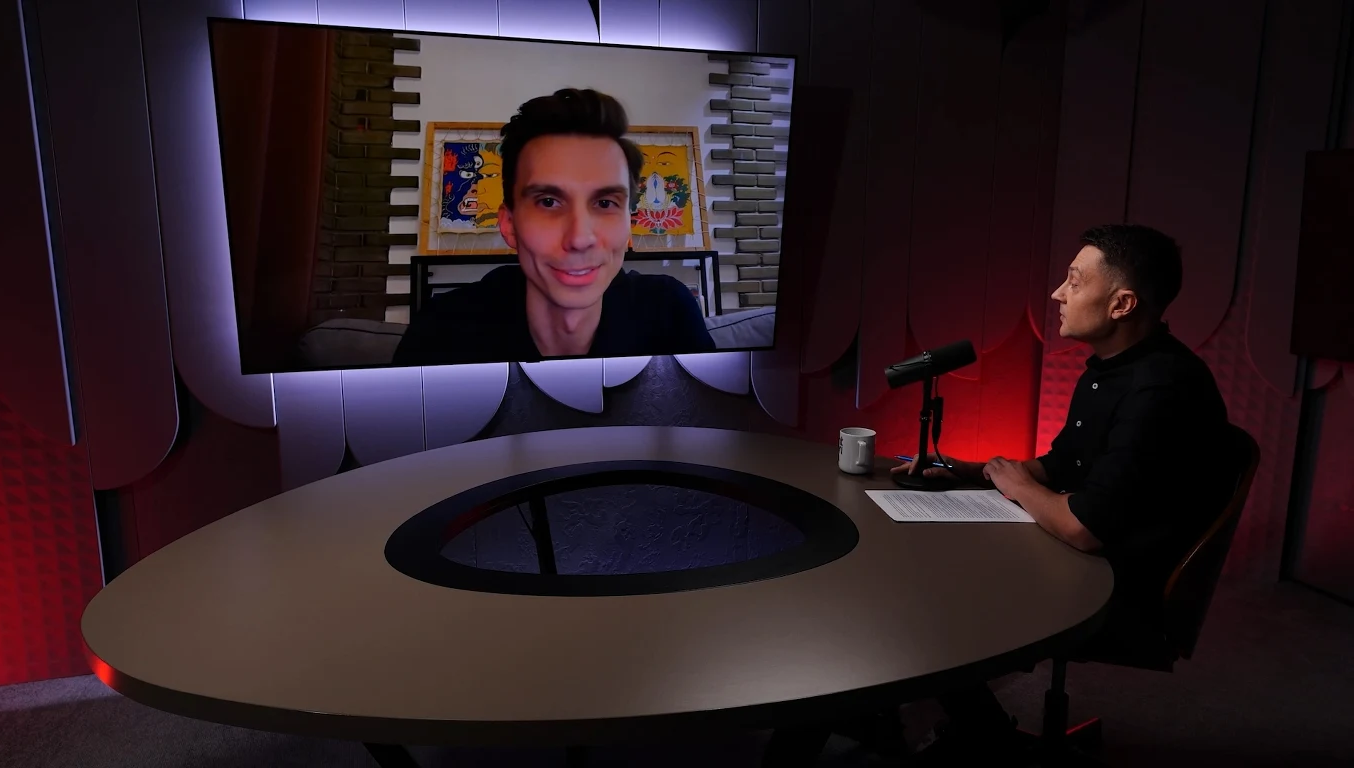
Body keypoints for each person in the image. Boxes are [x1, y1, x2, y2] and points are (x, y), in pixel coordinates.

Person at [759, 224, 1233, 767]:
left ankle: (949, 732)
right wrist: (968, 472)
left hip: (1117, 587)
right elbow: (1062, 465)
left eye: (1075, 281)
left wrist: (1018, 485)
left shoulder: (1161, 388)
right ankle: (976, 731)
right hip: (1085, 553)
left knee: (920, 596)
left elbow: (1084, 527)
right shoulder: (1111, 369)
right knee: (914, 574)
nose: (1057, 293)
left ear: (1122, 304)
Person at [393, 88, 716, 366]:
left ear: (628, 224)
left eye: (605, 203)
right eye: (548, 202)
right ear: (509, 224)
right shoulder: (440, 332)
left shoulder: (670, 314)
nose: (579, 239)